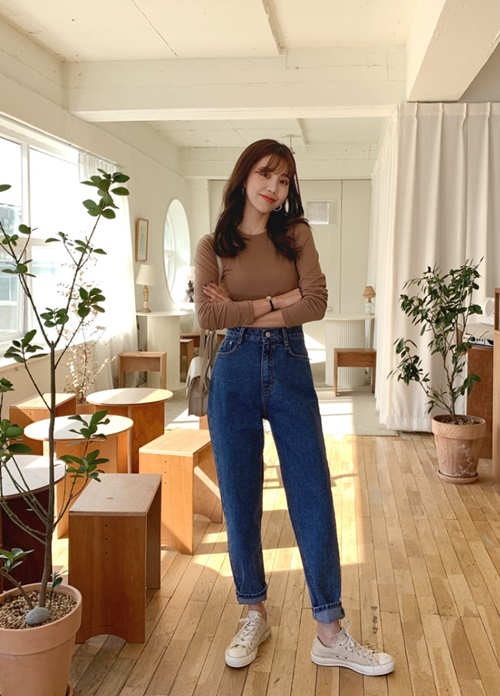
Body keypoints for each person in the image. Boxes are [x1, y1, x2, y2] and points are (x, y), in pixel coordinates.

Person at [194, 139, 394, 676]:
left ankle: (329, 630)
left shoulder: (296, 234)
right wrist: (277, 300)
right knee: (240, 496)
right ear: (244, 176)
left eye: (284, 180)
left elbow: (317, 301)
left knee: (311, 491)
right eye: (266, 174)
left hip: (289, 365)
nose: (274, 188)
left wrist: (244, 308)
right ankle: (253, 613)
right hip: (233, 370)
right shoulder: (213, 245)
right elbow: (209, 319)